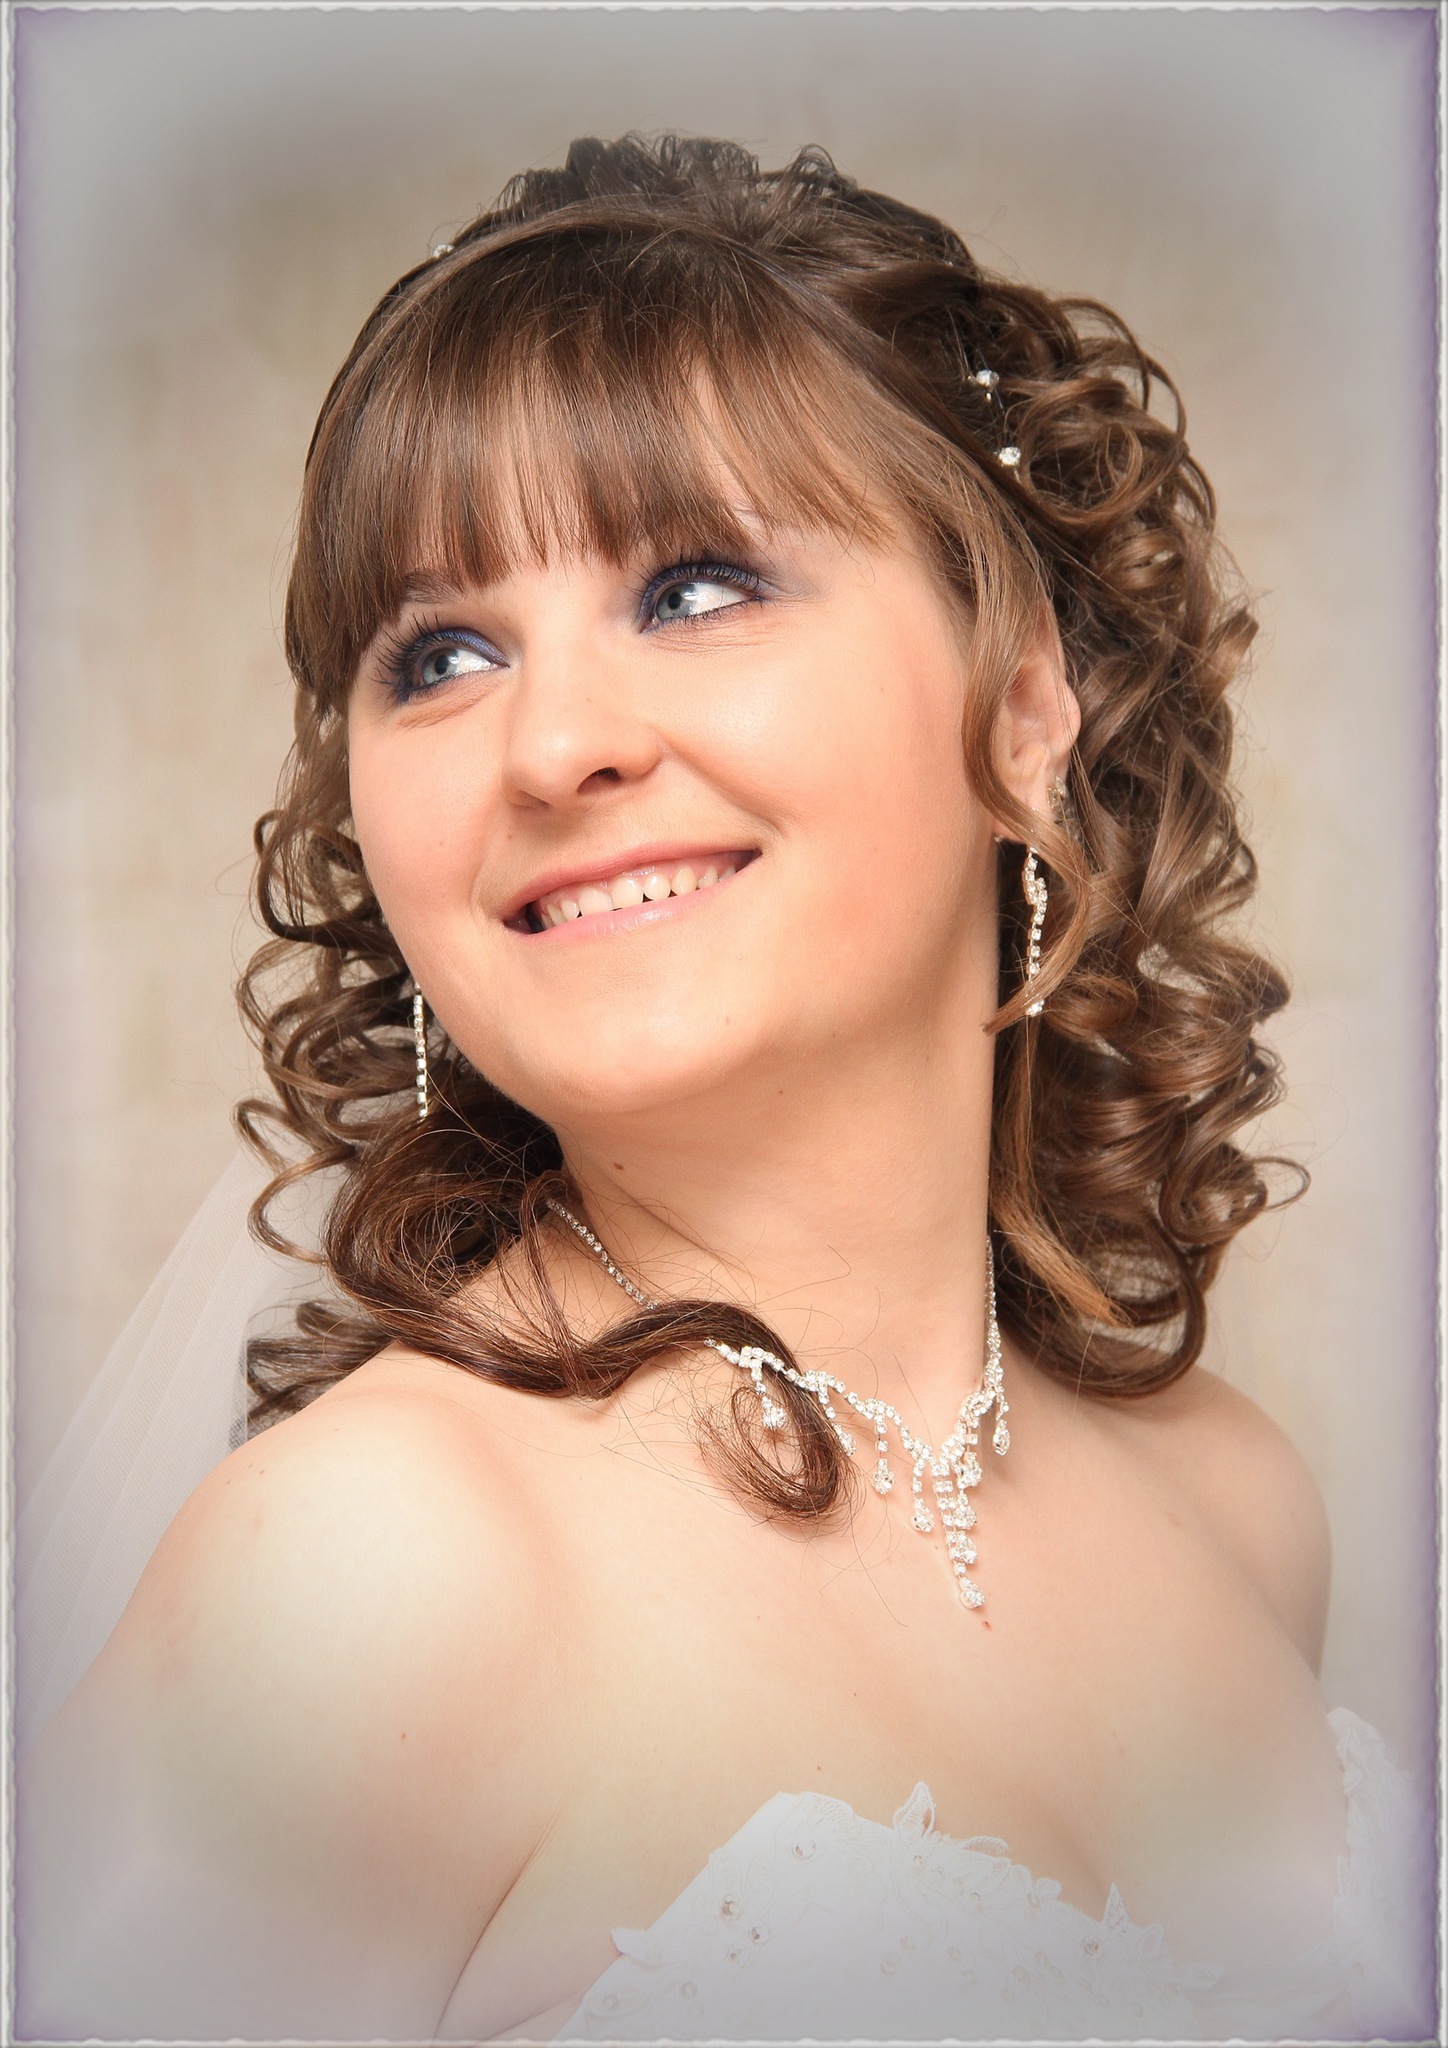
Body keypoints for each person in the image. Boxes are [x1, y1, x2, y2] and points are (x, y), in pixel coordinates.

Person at [16, 134, 1430, 2045]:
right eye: (440, 655)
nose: (555, 745)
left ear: (1026, 710)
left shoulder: (1242, 1508)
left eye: (693, 588)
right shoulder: (371, 1578)